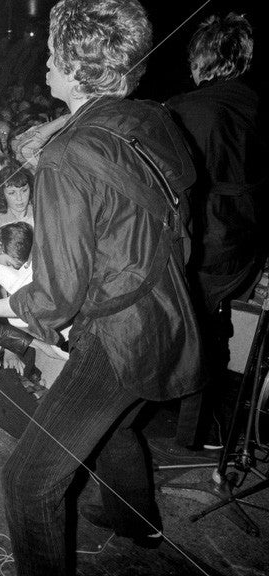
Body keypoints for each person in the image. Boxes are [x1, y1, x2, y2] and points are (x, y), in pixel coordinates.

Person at [0, 0, 201, 573]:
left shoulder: (65, 157)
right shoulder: (154, 120)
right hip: (168, 310)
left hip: (118, 336)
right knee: (103, 423)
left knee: (27, 480)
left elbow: (57, 297)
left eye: (50, 52)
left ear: (71, 65)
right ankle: (137, 522)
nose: (43, 62)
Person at [165, 12, 267, 450]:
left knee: (190, 331)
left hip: (205, 243)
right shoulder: (257, 106)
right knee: (211, 327)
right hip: (246, 244)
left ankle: (191, 432)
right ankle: (205, 422)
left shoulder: (185, 109)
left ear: (201, 59)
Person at [0, 163, 34, 232]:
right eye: (12, 193)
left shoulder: (39, 213)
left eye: (24, 190)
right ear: (2, 194)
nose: (19, 198)